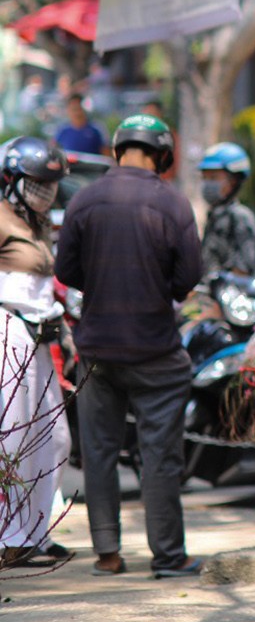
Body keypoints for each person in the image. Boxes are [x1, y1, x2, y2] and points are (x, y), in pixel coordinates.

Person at [53, 114, 203, 578]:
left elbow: (66, 272)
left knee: (97, 452)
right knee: (160, 455)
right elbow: (188, 279)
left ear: (118, 149)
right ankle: (168, 558)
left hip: (96, 350)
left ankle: (108, 555)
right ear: (161, 156)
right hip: (155, 350)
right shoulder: (174, 204)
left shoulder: (84, 199)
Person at [0, 137, 72, 568]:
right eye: (36, 183)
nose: (46, 192)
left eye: (51, 184)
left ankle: (35, 533)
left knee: (55, 437)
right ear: (10, 180)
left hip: (42, 335)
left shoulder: (39, 223)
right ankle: (8, 536)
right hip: (8, 330)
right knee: (11, 436)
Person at [197, 143, 255, 278]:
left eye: (213, 178)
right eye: (204, 178)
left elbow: (244, 269)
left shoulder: (240, 216)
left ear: (234, 181)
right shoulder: (214, 215)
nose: (207, 184)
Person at [52, 93, 107, 158]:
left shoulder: (96, 130)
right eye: (73, 109)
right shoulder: (62, 131)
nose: (76, 113)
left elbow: (106, 154)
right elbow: (54, 152)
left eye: (78, 108)